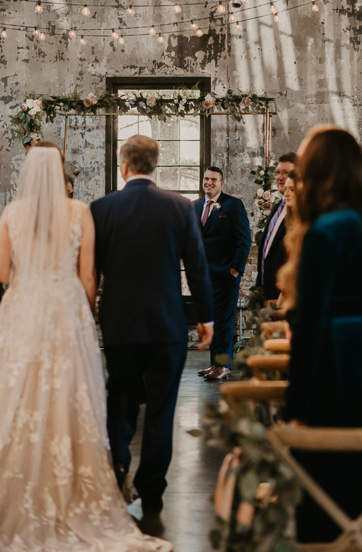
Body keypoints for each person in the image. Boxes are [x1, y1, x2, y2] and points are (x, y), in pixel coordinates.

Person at [0, 145, 172, 550]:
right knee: (71, 397)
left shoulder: (11, 214)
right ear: (60, 171)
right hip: (66, 311)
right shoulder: (79, 211)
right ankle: (75, 488)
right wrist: (85, 313)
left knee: (20, 396)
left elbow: (4, 273)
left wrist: (29, 286)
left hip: (23, 310)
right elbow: (89, 274)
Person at [278, 126, 362, 544]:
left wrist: (294, 407)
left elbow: (310, 324)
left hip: (340, 364)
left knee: (330, 481)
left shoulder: (327, 229)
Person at [91, 135, 214, 532]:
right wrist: (206, 318)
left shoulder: (101, 209)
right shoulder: (179, 206)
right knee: (162, 408)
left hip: (120, 324)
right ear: (155, 165)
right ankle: (153, 489)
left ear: (123, 165)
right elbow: (196, 266)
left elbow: (90, 271)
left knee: (121, 395)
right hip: (167, 324)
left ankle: (119, 464)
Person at [195, 167, 252, 380]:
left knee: (224, 321)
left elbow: (244, 240)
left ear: (222, 182)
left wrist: (235, 271)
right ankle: (214, 364)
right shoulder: (195, 206)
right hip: (204, 276)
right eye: (206, 179)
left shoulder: (232, 205)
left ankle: (224, 366)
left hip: (226, 276)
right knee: (212, 320)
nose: (208, 182)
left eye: (213, 179)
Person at [255, 152, 296, 300]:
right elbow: (267, 249)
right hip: (267, 290)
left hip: (285, 294)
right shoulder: (278, 206)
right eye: (278, 172)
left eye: (286, 173)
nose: (279, 177)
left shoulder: (299, 211)